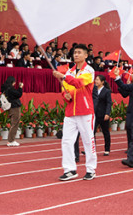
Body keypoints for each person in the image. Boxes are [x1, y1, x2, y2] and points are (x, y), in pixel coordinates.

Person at [52, 44, 97, 181]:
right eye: (75, 53)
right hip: (70, 111)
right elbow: (65, 89)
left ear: (85, 55)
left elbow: (78, 83)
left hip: (85, 111)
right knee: (66, 141)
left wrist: (63, 77)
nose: (76, 55)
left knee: (88, 140)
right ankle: (70, 169)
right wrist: (64, 96)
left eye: (79, 52)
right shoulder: (69, 71)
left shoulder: (89, 70)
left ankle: (90, 169)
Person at [93, 74, 112, 156]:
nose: (96, 81)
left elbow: (109, 103)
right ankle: (92, 149)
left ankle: (107, 149)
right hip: (94, 114)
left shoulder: (106, 91)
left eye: (97, 80)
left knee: (105, 132)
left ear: (102, 82)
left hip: (103, 114)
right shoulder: (93, 89)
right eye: (95, 79)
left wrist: (107, 113)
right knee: (91, 132)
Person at [1, 77, 23, 147]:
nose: (15, 83)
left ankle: (11, 140)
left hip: (12, 107)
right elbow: (19, 94)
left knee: (14, 123)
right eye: (14, 82)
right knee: (15, 124)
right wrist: (20, 87)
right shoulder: (10, 89)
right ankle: (11, 140)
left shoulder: (6, 88)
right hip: (14, 107)